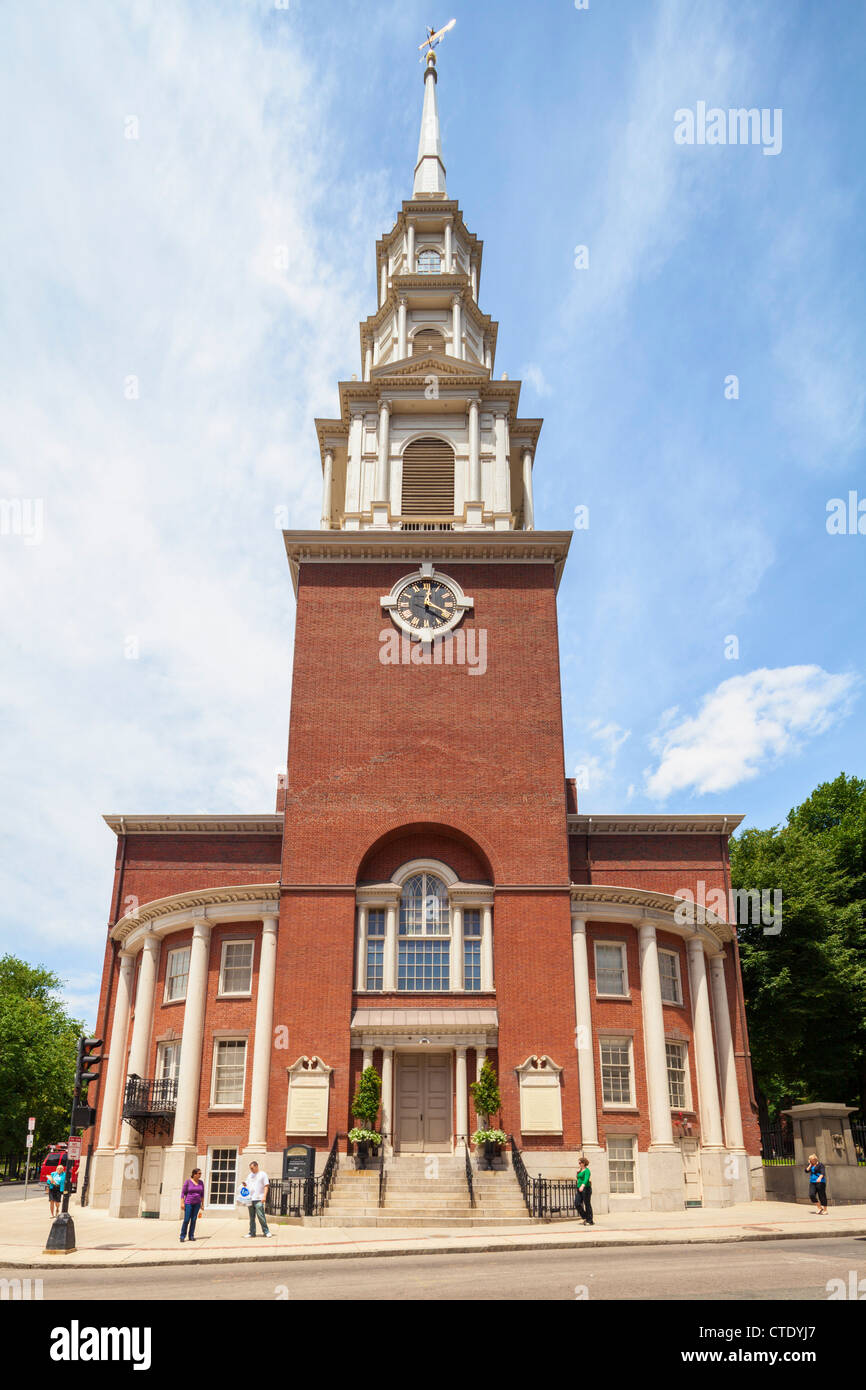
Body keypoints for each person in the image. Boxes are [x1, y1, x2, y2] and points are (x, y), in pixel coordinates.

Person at [243, 1160, 273, 1238]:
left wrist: (264, 1197)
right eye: (250, 1168)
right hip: (250, 1199)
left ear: (256, 1166)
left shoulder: (263, 1174)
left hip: (259, 1198)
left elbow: (266, 1186)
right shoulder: (250, 1175)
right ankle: (252, 1233)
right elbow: (247, 1186)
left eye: (252, 1168)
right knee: (251, 1217)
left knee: (261, 1216)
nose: (251, 1170)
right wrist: (244, 1184)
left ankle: (266, 1231)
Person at [180, 1168, 205, 1242]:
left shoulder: (201, 1182)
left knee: (194, 1220)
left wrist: (202, 1204)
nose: (200, 1175)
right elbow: (183, 1193)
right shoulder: (188, 1182)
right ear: (194, 1174)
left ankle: (191, 1236)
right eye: (199, 1173)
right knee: (186, 1219)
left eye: (201, 1173)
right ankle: (182, 1236)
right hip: (188, 1203)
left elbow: (202, 1194)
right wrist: (182, 1203)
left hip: (197, 1203)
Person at [46, 1153, 67, 1217]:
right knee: (51, 1201)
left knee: (57, 1202)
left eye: (60, 1169)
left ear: (62, 1170)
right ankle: (52, 1215)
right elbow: (48, 1181)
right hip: (52, 1188)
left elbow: (63, 1181)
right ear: (56, 1169)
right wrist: (50, 1181)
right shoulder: (53, 1174)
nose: (59, 1170)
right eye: (58, 1169)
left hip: (58, 1188)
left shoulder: (64, 1174)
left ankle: (57, 1208)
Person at [575, 1155, 594, 1226]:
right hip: (579, 1188)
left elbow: (586, 1179)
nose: (579, 1164)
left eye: (580, 1163)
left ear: (584, 1163)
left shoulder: (587, 1171)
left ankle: (590, 1220)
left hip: (586, 1189)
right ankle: (586, 1217)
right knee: (577, 1203)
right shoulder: (580, 1170)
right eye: (578, 1163)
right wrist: (577, 1172)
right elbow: (578, 1178)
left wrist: (582, 1186)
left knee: (587, 1204)